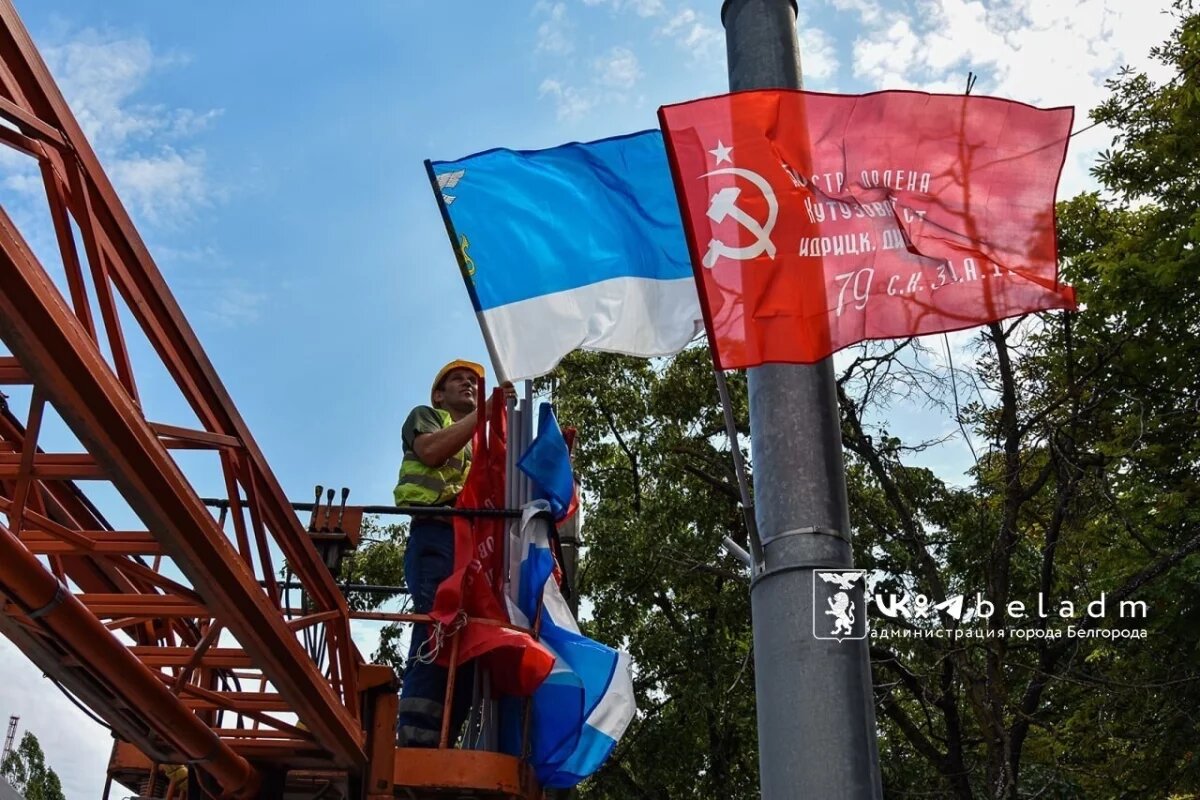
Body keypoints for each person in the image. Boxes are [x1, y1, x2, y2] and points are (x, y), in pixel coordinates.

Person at [393, 359, 510, 747]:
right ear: (439, 395)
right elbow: (430, 452)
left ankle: (446, 736)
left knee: (469, 635)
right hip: (436, 533)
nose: (468, 383)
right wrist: (485, 413)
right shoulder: (426, 417)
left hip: (471, 543)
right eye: (457, 379)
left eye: (472, 380)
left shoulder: (480, 440)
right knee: (437, 624)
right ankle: (416, 738)